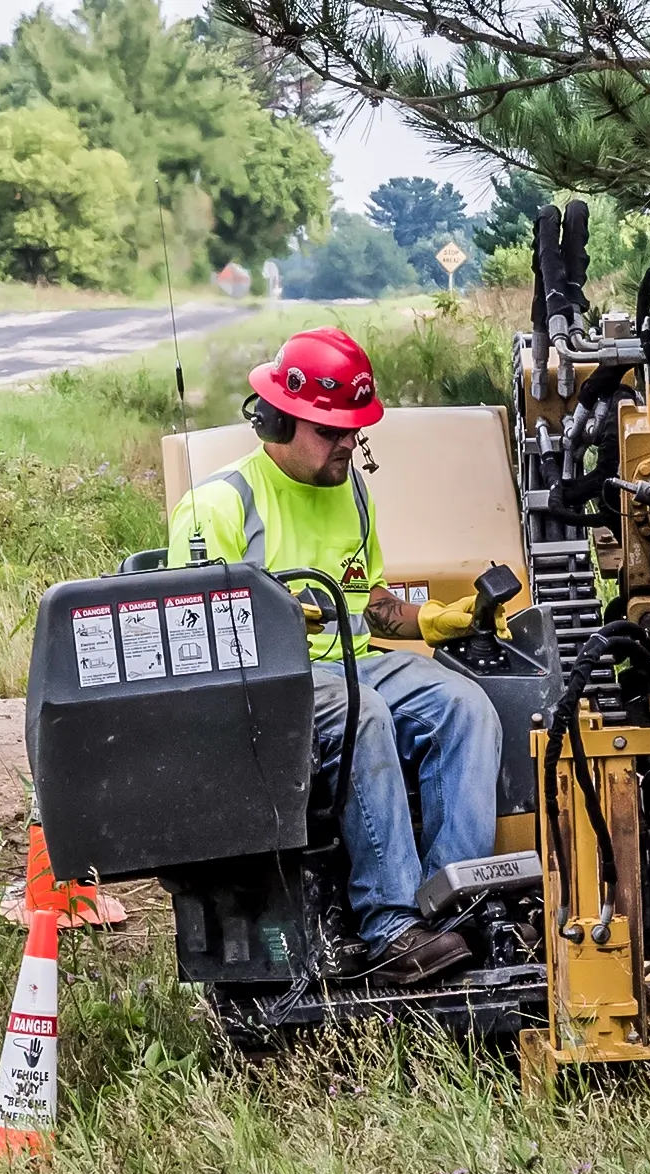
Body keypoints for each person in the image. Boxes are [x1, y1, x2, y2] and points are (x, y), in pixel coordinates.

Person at [166, 327, 498, 986]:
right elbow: (193, 634)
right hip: (268, 682)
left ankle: (454, 906)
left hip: (352, 662)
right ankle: (392, 928)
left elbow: (366, 596)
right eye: (333, 432)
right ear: (280, 420)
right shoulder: (220, 505)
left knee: (465, 706)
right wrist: (273, 615)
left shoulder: (349, 490)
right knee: (362, 712)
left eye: (355, 431)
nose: (350, 443)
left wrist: (430, 620)